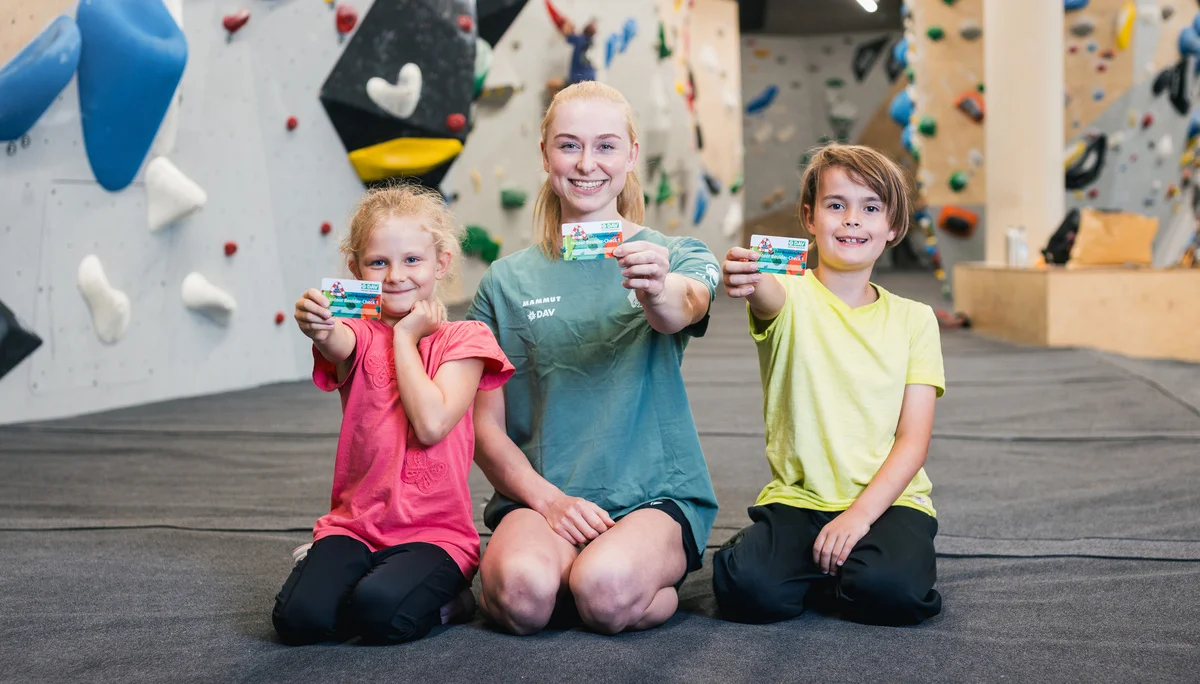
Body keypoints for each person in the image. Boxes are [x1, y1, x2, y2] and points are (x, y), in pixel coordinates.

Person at [466, 81, 721, 636]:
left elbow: (682, 306)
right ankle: (566, 577)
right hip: (544, 496)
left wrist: (656, 287)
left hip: (655, 495)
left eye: (606, 146)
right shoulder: (504, 282)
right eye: (569, 145)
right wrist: (549, 502)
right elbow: (484, 430)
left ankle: (615, 585)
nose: (587, 163)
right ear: (545, 155)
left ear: (631, 155)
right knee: (521, 598)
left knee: (603, 591)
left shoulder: (677, 255)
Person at [714, 143, 946, 627]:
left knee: (891, 593)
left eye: (871, 208)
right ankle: (800, 559)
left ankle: (843, 565)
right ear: (810, 218)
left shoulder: (916, 319)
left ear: (893, 226)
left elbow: (913, 440)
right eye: (836, 205)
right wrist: (748, 274)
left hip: (889, 501)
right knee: (750, 592)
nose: (852, 220)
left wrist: (859, 516)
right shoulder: (789, 294)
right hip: (800, 500)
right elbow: (766, 294)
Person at [273, 185, 514, 645]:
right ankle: (339, 571)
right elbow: (337, 340)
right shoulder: (358, 332)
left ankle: (451, 600)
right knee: (299, 621)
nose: (396, 276)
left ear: (441, 263)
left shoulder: (466, 338)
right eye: (378, 262)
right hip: (357, 526)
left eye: (412, 260)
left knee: (379, 614)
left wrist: (405, 337)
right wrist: (318, 324)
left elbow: (432, 424)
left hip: (434, 535)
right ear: (356, 269)